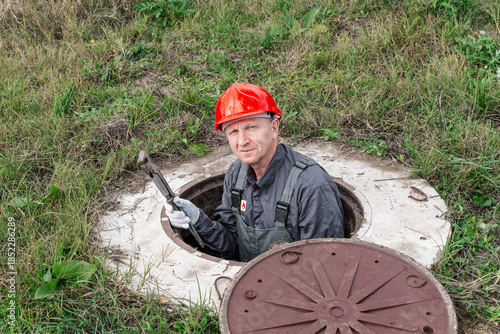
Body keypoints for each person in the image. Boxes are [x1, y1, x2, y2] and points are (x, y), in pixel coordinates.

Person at [165, 83, 344, 262]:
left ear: (274, 127)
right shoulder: (236, 174)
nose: (242, 141)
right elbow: (231, 246)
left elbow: (325, 263)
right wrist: (197, 220)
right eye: (234, 131)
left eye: (251, 127)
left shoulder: (311, 185)